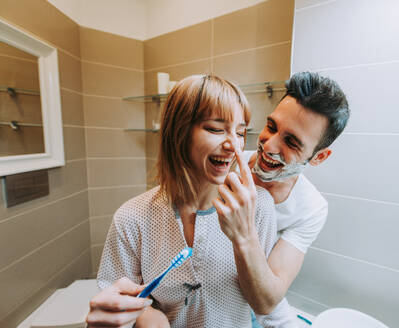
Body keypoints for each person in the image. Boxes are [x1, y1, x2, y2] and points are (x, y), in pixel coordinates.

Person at [86, 74, 282, 328]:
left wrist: (244, 236)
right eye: (215, 129)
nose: (234, 145)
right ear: (178, 133)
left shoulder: (258, 206)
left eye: (241, 132)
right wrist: (144, 315)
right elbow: (119, 303)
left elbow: (264, 305)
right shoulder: (132, 217)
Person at [214, 71, 350, 317]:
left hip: (248, 310)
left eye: (291, 142)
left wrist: (243, 233)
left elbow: (267, 301)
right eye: (271, 126)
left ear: (318, 157)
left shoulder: (310, 208)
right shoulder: (224, 166)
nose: (269, 145)